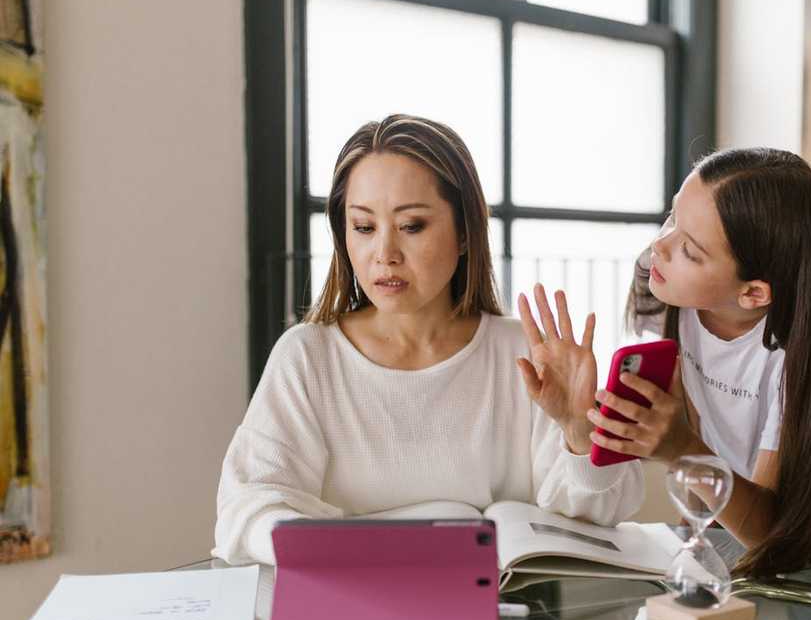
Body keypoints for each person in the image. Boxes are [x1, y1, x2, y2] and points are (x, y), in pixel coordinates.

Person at [548, 147, 811, 620]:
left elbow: (772, 531)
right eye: (671, 221)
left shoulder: (798, 356)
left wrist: (681, 447)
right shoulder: (668, 290)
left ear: (754, 293)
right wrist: (582, 415)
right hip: (727, 492)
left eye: (688, 248)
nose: (659, 248)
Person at [212, 113, 643, 566]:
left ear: (463, 233)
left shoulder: (524, 357)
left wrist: (582, 434)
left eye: (412, 226)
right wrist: (345, 550)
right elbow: (246, 508)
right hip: (351, 605)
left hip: (509, 619)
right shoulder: (308, 357)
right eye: (363, 227)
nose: (385, 254)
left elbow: (600, 518)